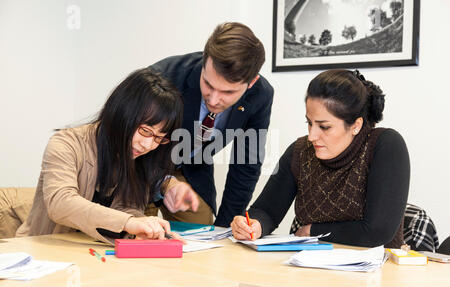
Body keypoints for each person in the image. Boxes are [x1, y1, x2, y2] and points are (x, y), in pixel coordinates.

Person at [14, 68, 199, 244]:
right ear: (122, 114)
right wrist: (128, 222)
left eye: (160, 138)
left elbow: (128, 209)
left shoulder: (140, 160)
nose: (148, 145)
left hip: (93, 258)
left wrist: (148, 230)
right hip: (41, 252)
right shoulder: (66, 143)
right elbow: (61, 202)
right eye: (145, 131)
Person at [231, 69, 410, 248]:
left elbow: (377, 232)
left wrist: (312, 231)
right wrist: (253, 225)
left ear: (356, 125)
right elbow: (266, 210)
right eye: (309, 123)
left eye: (324, 127)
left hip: (376, 269)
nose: (312, 136)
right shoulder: (300, 152)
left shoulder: (385, 145)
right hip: (311, 265)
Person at [147, 22, 274, 227]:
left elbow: (246, 164)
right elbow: (126, 142)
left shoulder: (260, 96)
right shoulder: (163, 77)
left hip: (190, 169)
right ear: (205, 62)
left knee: (203, 234)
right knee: (138, 235)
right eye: (208, 84)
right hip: (140, 165)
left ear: (251, 83)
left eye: (228, 92)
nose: (214, 100)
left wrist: (226, 228)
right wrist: (165, 183)